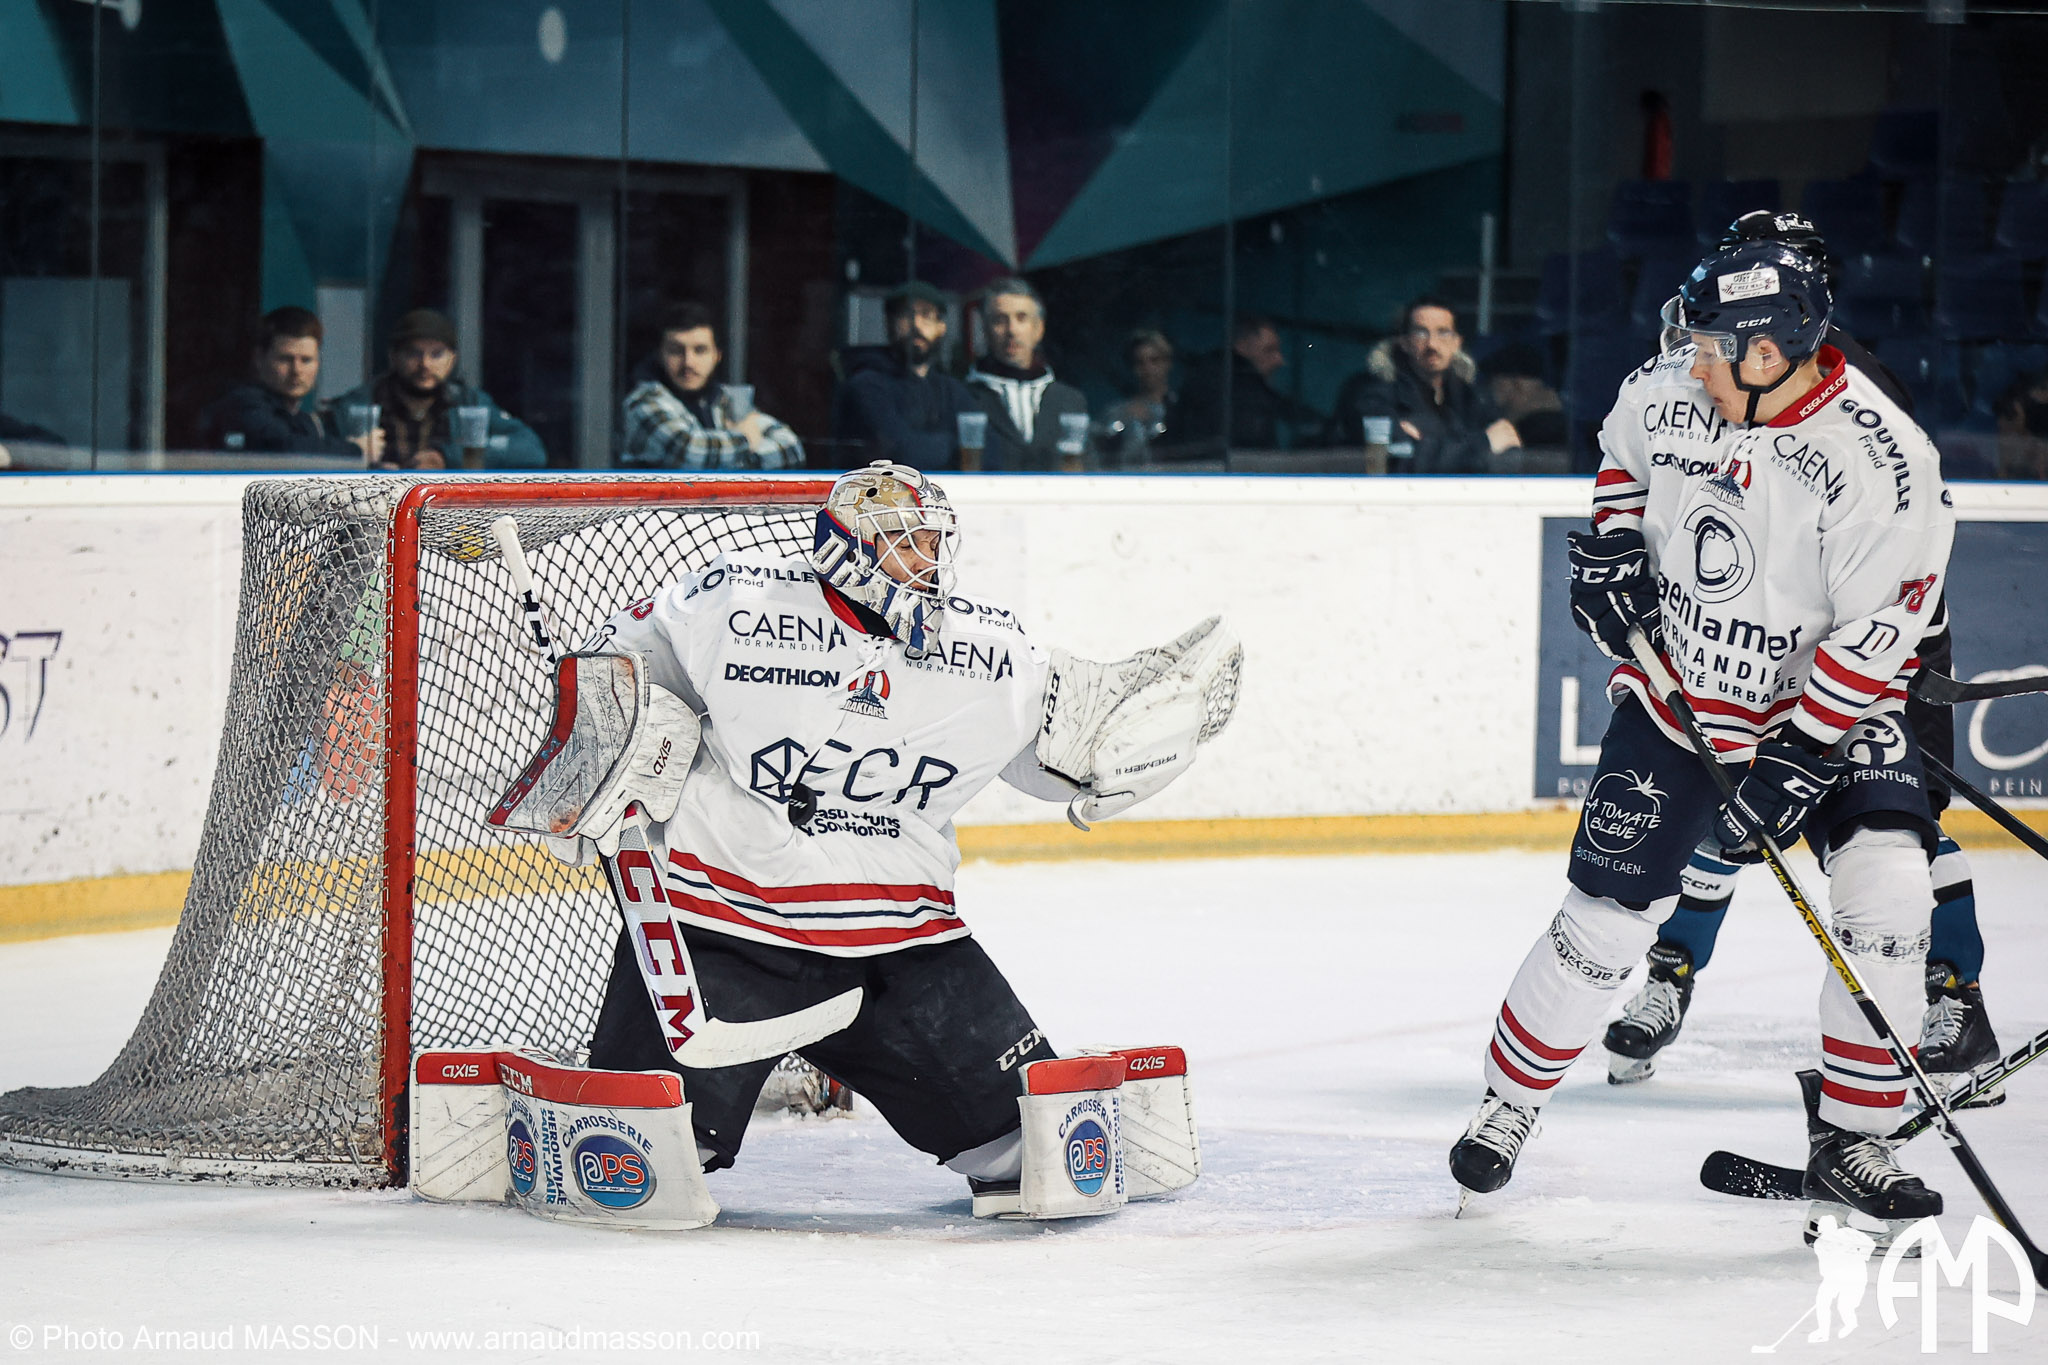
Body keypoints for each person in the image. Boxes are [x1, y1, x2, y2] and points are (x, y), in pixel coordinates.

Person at [527, 461, 1234, 1213]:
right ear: (844, 545)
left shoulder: (987, 649)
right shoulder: (733, 605)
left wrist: (1136, 742)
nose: (926, 562)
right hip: (725, 925)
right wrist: (595, 756)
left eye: (933, 543)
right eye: (905, 543)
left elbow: (1064, 749)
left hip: (904, 944)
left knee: (1029, 1153)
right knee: (637, 1161)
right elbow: (616, 677)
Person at [1450, 240, 1955, 1234]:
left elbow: (1877, 630)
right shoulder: (1670, 385)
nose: (1691, 365)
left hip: (1830, 713)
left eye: (1715, 349)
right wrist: (1609, 556)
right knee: (1600, 926)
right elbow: (1620, 466)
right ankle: (1505, 1106)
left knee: (1889, 887)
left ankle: (1852, 1138)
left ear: (1770, 355)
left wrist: (1802, 752)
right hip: (1680, 696)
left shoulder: (1884, 459)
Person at [1602, 212, 2004, 1102]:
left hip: (1875, 639)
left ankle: (1949, 992)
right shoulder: (1727, 370)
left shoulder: (1842, 386)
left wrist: (1879, 655)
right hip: (1762, 633)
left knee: (1892, 821)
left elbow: (1904, 530)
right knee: (1724, 795)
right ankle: (1673, 968)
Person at [329, 309, 546, 470]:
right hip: (373, 510)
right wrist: (369, 467)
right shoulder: (359, 404)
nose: (425, 364)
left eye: (436, 354)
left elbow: (531, 450)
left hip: (449, 514)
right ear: (393, 356)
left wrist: (447, 457)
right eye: (413, 353)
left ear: (452, 358)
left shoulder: (469, 403)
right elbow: (319, 455)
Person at [1327, 298, 1520, 473]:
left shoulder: (1474, 397)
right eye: (1421, 333)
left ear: (1457, 343)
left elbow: (1508, 453)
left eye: (1443, 333)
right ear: (1404, 342)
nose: (1432, 345)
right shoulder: (1372, 394)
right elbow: (1396, 462)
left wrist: (1427, 442)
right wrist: (1484, 443)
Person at [619, 303, 803, 470]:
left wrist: (732, 454)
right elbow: (689, 452)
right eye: (676, 351)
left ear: (717, 356)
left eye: (700, 350)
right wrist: (747, 439)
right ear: (660, 355)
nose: (688, 362)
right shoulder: (643, 402)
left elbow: (791, 449)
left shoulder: (726, 399)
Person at [198, 307, 379, 461]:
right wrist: (357, 449)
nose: (297, 370)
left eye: (306, 360)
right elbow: (282, 447)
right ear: (259, 359)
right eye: (285, 359)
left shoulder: (303, 422)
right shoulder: (242, 404)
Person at [832, 283, 975, 470]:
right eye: (906, 315)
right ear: (889, 323)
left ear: (941, 327)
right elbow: (901, 455)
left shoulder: (952, 391)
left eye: (926, 315)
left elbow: (989, 455)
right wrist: (957, 445)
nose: (916, 325)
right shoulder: (866, 386)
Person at [962, 278, 1089, 470]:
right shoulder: (963, 397)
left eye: (1021, 318)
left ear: (1038, 329)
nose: (1011, 330)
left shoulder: (1070, 401)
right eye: (999, 320)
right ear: (985, 330)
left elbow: (1087, 474)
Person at [1171, 316, 1322, 455]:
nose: (1279, 361)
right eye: (1269, 350)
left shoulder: (1242, 387)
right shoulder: (1235, 389)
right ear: (1242, 347)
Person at [1102, 329, 1181, 463]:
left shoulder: (1182, 410)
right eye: (1140, 363)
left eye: (1154, 360)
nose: (1147, 369)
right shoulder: (1117, 413)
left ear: (1168, 363)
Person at [1483, 345, 1568, 449]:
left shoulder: (1536, 434)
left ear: (1517, 385)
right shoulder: (1563, 425)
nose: (1491, 388)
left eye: (1497, 382)